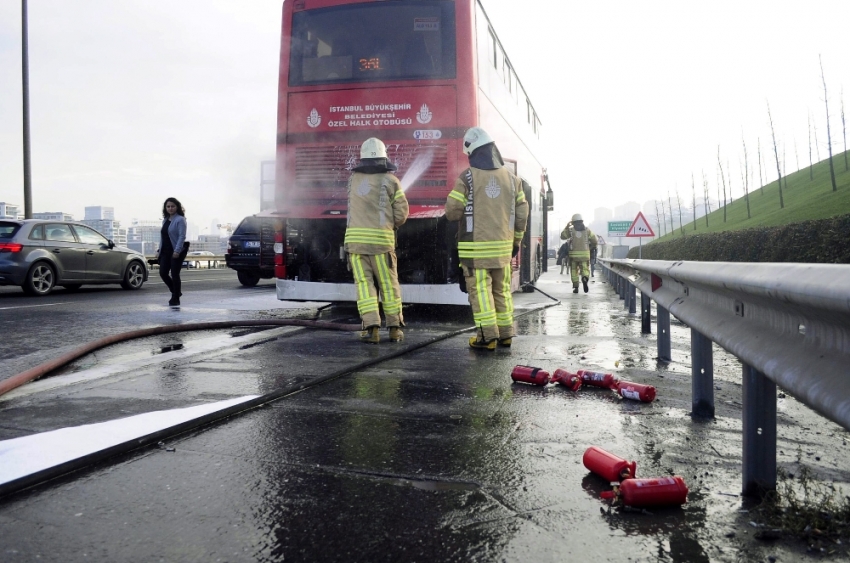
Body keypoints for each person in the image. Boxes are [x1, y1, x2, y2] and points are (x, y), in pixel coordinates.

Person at [445, 127, 529, 350]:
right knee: (501, 291)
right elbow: (521, 216)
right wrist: (516, 241)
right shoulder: (513, 180)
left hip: (475, 251)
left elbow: (452, 212)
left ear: (472, 152)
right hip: (503, 250)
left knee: (481, 292)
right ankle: (505, 335)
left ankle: (486, 337)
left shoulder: (467, 178)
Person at [344, 137, 409, 344]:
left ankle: (371, 329)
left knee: (365, 286)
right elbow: (401, 214)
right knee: (388, 285)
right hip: (381, 244)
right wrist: (389, 224)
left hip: (355, 244)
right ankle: (395, 329)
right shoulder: (391, 181)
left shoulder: (353, 180)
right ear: (383, 158)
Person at [157, 197, 188, 306]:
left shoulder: (180, 219)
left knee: (175, 274)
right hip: (165, 251)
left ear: (177, 207)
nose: (170, 208)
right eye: (168, 206)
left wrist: (177, 250)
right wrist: (159, 249)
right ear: (165, 208)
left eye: (172, 206)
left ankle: (175, 298)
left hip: (176, 251)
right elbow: (163, 237)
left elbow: (181, 236)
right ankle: (176, 291)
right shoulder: (165, 220)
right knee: (163, 273)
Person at [561, 213, 597, 294]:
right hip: (585, 254)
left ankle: (576, 287)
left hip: (573, 255)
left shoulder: (570, 231)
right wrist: (591, 247)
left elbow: (562, 236)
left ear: (573, 222)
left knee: (574, 270)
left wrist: (567, 226)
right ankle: (584, 278)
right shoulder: (587, 231)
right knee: (585, 269)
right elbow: (595, 240)